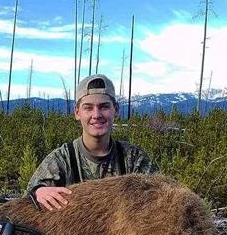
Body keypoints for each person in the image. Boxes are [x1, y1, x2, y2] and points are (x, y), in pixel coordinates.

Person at [27, 74, 157, 211]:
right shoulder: (62, 159)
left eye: (104, 107)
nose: (96, 115)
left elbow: (159, 198)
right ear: (77, 113)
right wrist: (38, 192)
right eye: (88, 108)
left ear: (116, 110)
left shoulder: (134, 159)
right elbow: (30, 196)